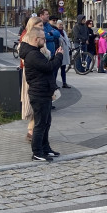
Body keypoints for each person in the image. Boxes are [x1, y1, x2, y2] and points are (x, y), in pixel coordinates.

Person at [21, 18, 63, 162]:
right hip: (38, 93)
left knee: (46, 122)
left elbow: (47, 67)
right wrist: (59, 56)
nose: (45, 41)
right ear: (36, 39)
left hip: (44, 91)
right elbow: (49, 67)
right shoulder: (32, 55)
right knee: (40, 124)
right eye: (43, 39)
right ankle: (37, 152)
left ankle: (46, 148)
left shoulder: (35, 52)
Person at [56, 20, 72, 89]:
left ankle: (64, 83)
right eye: (59, 24)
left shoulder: (64, 32)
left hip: (64, 53)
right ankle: (54, 83)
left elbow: (67, 41)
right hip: (58, 53)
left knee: (63, 68)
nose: (61, 26)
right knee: (55, 69)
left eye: (62, 25)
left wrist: (69, 48)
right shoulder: (56, 33)